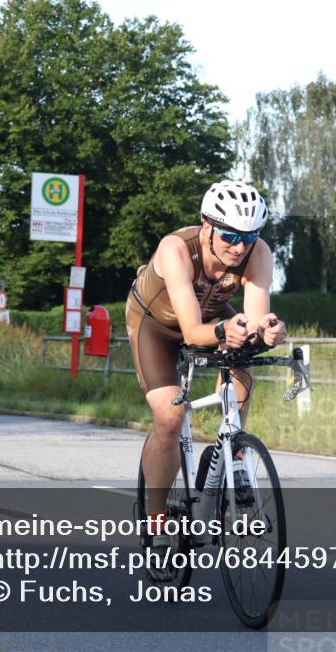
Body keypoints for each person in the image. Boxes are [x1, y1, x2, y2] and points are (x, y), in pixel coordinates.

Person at [125, 180, 287, 559]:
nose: (240, 246)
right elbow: (193, 333)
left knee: (246, 352)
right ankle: (156, 518)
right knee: (170, 415)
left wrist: (270, 331)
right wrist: (223, 333)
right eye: (230, 235)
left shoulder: (257, 253)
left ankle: (233, 447)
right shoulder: (176, 249)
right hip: (156, 325)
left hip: (212, 318)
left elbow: (257, 318)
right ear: (206, 225)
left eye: (249, 236)